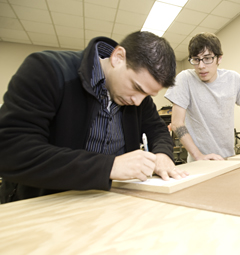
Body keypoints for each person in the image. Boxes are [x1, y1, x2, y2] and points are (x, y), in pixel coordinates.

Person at [0, 31, 188, 204]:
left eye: (147, 95)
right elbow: (11, 150)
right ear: (118, 57)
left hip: (108, 202)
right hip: (43, 204)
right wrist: (109, 167)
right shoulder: (46, 70)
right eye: (137, 88)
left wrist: (162, 154)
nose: (138, 102)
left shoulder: (137, 98)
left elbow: (158, 129)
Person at [165, 32, 240, 162]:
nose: (201, 66)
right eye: (196, 59)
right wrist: (198, 156)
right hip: (199, 162)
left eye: (207, 58)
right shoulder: (185, 79)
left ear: (219, 58)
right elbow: (177, 123)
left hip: (229, 159)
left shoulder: (234, 79)